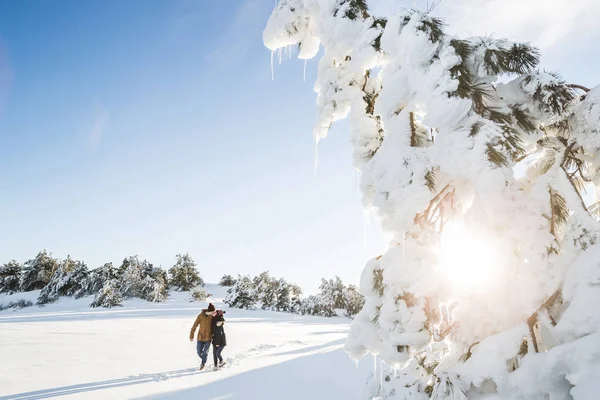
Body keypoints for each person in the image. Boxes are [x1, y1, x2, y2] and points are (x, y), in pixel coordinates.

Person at [190, 303, 216, 370]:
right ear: (209, 311)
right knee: (199, 352)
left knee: (205, 352)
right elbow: (195, 325)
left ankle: (203, 363)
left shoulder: (212, 317)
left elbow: (220, 320)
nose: (213, 313)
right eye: (212, 312)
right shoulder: (200, 316)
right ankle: (204, 359)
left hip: (208, 338)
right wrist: (191, 334)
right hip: (200, 337)